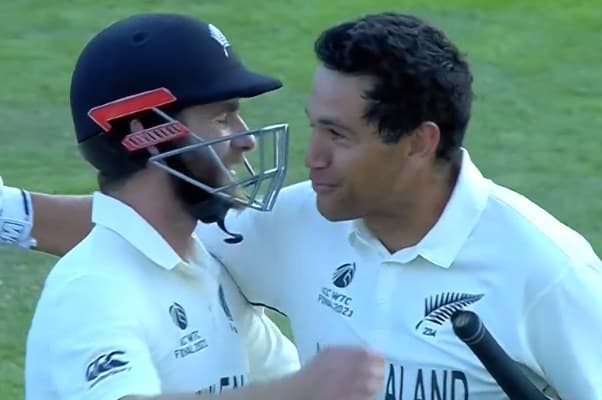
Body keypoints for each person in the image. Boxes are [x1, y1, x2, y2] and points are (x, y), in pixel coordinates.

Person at [1, 11, 602, 400]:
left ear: (418, 143)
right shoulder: (296, 221)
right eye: (313, 128)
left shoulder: (551, 272)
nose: (310, 158)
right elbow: (140, 230)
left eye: (337, 136)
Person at [11, 12, 385, 400]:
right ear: (147, 136)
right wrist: (298, 391)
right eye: (222, 118)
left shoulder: (201, 266)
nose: (246, 141)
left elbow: (284, 377)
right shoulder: (92, 287)